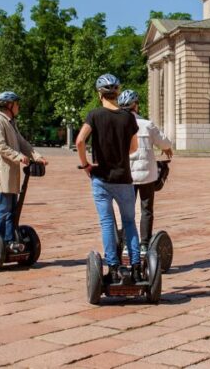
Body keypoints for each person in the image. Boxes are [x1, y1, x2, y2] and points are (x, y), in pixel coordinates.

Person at [76, 74, 140, 283]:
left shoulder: (94, 115)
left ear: (99, 94)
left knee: (107, 223)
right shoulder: (128, 118)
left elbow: (79, 141)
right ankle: (136, 267)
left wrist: (86, 164)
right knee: (129, 222)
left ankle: (113, 267)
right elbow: (133, 148)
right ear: (118, 93)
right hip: (124, 178)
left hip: (101, 178)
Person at [0, 91, 48, 253]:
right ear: (9, 105)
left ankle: (9, 242)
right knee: (4, 208)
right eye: (17, 104)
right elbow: (0, 145)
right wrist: (18, 156)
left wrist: (37, 156)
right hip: (2, 173)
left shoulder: (11, 123)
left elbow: (22, 143)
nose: (18, 107)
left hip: (11, 174)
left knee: (12, 209)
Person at [117, 89, 173, 256]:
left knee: (127, 210)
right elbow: (164, 142)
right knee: (146, 209)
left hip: (127, 175)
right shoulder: (147, 125)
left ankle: (127, 244)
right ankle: (144, 244)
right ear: (136, 106)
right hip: (147, 175)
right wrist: (167, 148)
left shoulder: (118, 125)